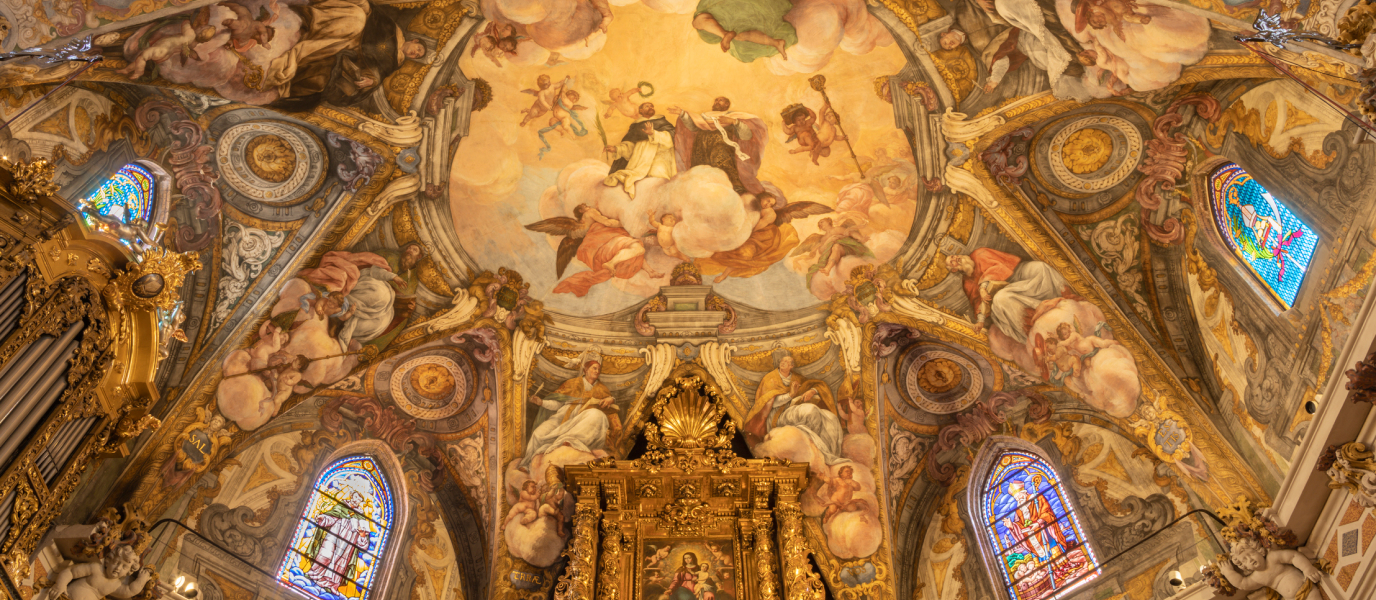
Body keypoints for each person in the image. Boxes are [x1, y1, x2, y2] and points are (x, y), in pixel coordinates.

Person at [946, 248, 1069, 343]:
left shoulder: (979, 253)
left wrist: (983, 285)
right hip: (1003, 293)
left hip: (1015, 275)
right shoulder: (967, 283)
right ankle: (1041, 310)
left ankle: (1063, 295)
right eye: (952, 262)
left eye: (953, 256)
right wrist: (980, 321)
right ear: (954, 270)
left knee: (1040, 268)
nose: (955, 259)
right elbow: (978, 302)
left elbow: (1000, 267)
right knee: (1002, 298)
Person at [744, 353, 845, 463]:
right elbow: (768, 402)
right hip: (777, 415)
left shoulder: (797, 378)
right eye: (782, 361)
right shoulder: (770, 379)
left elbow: (814, 385)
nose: (783, 363)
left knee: (831, 418)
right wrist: (790, 395)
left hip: (793, 409)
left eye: (787, 362)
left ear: (791, 366)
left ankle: (816, 443)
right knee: (811, 410)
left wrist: (812, 391)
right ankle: (812, 442)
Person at [519, 360, 619, 469]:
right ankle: (527, 464)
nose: (597, 371)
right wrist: (541, 402)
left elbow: (609, 406)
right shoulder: (572, 383)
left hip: (582, 419)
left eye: (599, 369)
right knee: (538, 434)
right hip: (563, 416)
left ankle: (565, 441)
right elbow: (557, 403)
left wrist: (611, 399)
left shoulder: (601, 388)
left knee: (597, 415)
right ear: (585, 370)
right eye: (594, 368)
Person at [671, 97, 768, 194]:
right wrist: (682, 114)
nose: (717, 102)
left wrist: (734, 122)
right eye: (716, 100)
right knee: (701, 175)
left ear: (727, 104)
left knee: (724, 175)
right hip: (701, 149)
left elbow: (746, 135)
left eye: (720, 100)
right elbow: (692, 127)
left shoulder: (733, 116)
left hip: (723, 151)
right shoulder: (704, 116)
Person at [304, 489, 375, 589]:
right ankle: (314, 574)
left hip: (349, 542)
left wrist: (362, 535)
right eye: (355, 497)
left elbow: (363, 543)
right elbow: (332, 518)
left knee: (340, 563)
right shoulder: (341, 506)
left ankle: (331, 585)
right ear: (351, 496)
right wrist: (323, 518)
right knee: (325, 554)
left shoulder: (361, 517)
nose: (356, 500)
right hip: (334, 534)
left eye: (359, 499)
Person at [1217, 537, 1324, 600]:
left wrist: (1307, 568)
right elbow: (1241, 583)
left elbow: (1293, 556)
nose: (1250, 559)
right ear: (1244, 566)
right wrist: (1228, 572)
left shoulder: (1272, 558)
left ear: (1259, 551)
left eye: (1251, 554)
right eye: (1244, 560)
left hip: (1307, 590)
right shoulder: (1257, 577)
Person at [603, 119, 677, 198]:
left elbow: (669, 140)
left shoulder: (663, 124)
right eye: (646, 106)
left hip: (659, 163)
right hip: (639, 166)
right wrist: (616, 149)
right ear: (641, 110)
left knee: (659, 182)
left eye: (651, 106)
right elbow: (631, 150)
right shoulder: (637, 130)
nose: (650, 108)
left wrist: (653, 133)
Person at [1000, 479, 1069, 563]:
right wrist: (1012, 526)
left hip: (1045, 532)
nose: (1017, 499)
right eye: (1016, 498)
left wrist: (1038, 523)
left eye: (1018, 496)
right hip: (1031, 539)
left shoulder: (1037, 498)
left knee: (1057, 557)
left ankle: (1063, 565)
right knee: (1043, 563)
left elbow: (1047, 512)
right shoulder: (1018, 511)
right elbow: (1020, 525)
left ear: (1024, 492)